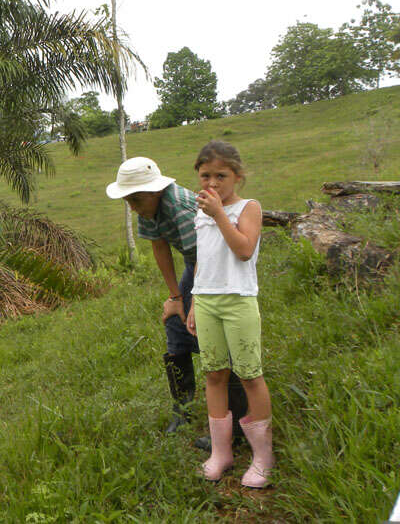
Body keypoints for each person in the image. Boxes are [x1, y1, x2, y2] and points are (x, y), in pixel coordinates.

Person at [106, 156, 247, 447]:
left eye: (135, 199)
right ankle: (181, 409)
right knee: (175, 324)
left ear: (155, 192)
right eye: (128, 200)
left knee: (214, 337)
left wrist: (195, 302)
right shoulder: (147, 209)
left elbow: (206, 256)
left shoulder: (180, 208)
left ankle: (237, 426)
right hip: (194, 264)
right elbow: (160, 247)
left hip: (218, 267)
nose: (132, 206)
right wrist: (175, 298)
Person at [186, 140, 274, 488]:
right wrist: (194, 301)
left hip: (238, 300)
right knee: (213, 374)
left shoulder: (248, 208)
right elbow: (203, 261)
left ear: (237, 176)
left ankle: (263, 457)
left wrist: (220, 214)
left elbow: (243, 250)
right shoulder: (201, 211)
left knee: (250, 374)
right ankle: (221, 453)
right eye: (205, 175)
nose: (212, 183)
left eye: (220, 175)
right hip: (206, 301)